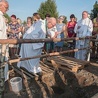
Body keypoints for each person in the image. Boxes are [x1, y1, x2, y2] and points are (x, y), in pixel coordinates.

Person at [0, 1, 9, 97]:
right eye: (6, 7)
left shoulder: (2, 17)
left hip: (2, 46)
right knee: (1, 66)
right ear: (1, 6)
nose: (7, 10)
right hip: (0, 47)